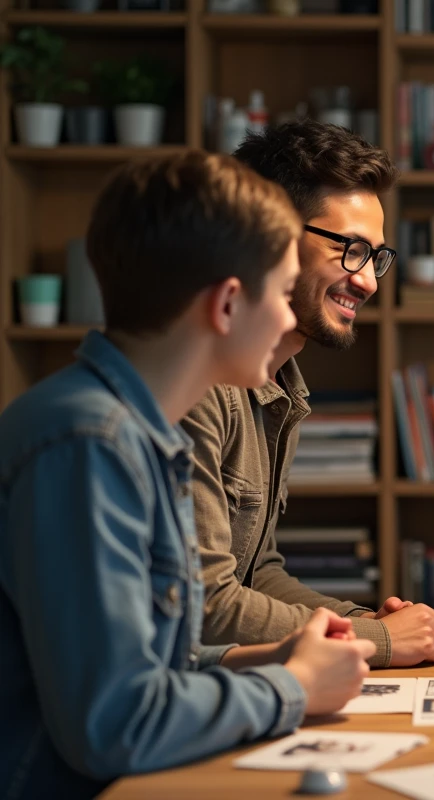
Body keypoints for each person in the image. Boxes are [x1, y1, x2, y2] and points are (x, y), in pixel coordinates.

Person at [0, 153, 375, 798]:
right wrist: (292, 688)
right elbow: (113, 722)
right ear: (228, 305)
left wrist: (272, 657)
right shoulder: (89, 446)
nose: (289, 320)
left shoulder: (139, 435)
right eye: (277, 293)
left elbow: (147, 664)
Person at [183, 119, 434, 668]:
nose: (370, 281)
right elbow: (205, 604)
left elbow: (257, 573)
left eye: (376, 256)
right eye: (350, 248)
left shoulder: (283, 387)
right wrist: (376, 641)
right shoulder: (196, 386)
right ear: (270, 238)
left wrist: (360, 623)